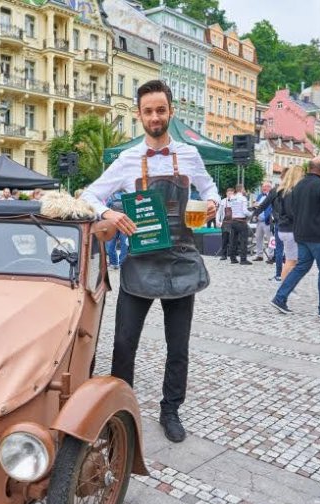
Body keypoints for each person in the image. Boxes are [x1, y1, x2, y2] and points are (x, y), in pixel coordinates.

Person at [81, 79, 220, 443]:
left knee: (179, 347)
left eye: (161, 110)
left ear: (170, 112)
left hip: (181, 261)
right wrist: (108, 215)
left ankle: (170, 409)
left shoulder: (189, 154)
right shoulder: (127, 160)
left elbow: (209, 189)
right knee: (124, 344)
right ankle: (117, 411)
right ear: (140, 115)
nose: (155, 116)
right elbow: (90, 194)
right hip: (139, 263)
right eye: (148, 111)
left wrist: (212, 203)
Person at [271, 157, 320, 319]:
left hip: (301, 234)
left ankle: (280, 297)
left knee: (301, 267)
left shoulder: (298, 186)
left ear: (309, 168)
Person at [255, 166, 304, 281]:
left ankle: (278, 274)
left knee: (279, 250)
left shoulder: (276, 190)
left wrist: (256, 213)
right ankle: (284, 277)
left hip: (278, 223)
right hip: (288, 225)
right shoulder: (291, 191)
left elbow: (265, 204)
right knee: (289, 254)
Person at [227, 184, 251, 264]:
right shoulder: (243, 198)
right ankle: (243, 259)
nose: (244, 190)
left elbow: (231, 208)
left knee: (233, 240)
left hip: (233, 221)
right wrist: (251, 214)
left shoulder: (232, 198)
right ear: (241, 189)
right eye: (244, 189)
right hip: (241, 221)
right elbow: (244, 211)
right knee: (243, 240)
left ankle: (233, 258)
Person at [105, 191, 128, 269]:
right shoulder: (127, 195)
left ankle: (114, 263)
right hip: (124, 222)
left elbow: (106, 210)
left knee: (110, 243)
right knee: (124, 244)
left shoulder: (111, 197)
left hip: (113, 222)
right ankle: (122, 263)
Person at [253, 182, 273, 261]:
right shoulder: (260, 196)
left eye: (266, 187)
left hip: (267, 220)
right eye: (263, 187)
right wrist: (255, 207)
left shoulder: (271, 196)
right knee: (258, 238)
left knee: (270, 238)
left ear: (269, 188)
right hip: (259, 220)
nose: (263, 188)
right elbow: (257, 206)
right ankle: (259, 255)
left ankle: (271, 255)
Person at [216, 188, 234, 260]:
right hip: (225, 222)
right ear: (226, 193)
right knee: (224, 239)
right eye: (229, 193)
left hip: (233, 222)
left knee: (232, 239)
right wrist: (217, 221)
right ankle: (224, 255)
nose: (230, 195)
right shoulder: (223, 201)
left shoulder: (236, 201)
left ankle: (232, 255)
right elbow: (219, 212)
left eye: (231, 193)